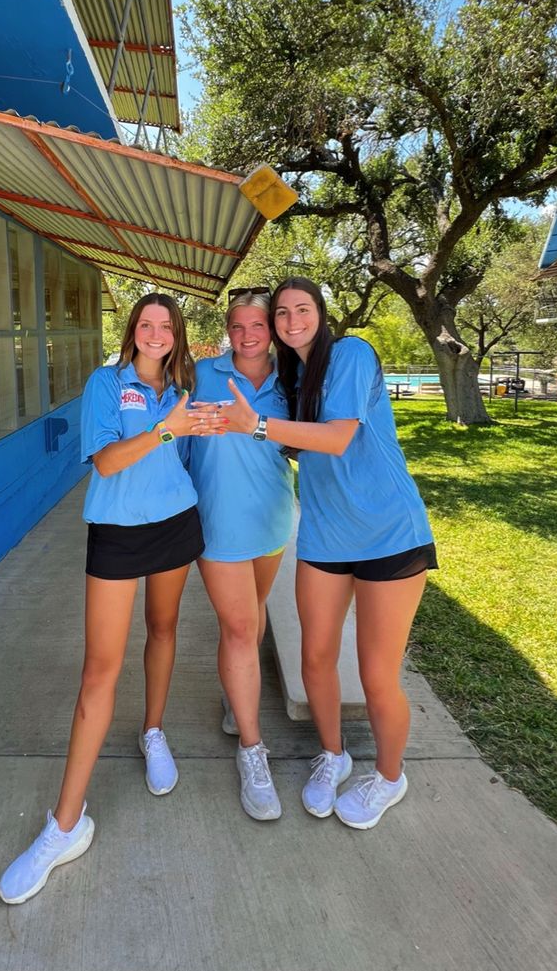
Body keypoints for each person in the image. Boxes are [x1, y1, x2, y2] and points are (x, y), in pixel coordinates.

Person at [0, 293, 223, 904]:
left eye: (165, 325)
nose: (155, 333)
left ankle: (152, 731)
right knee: (100, 668)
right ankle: (64, 825)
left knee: (165, 629)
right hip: (117, 533)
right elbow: (105, 463)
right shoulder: (105, 382)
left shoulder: (185, 383)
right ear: (133, 331)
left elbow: (193, 448)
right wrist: (163, 428)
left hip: (175, 522)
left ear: (177, 335)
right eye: (145, 324)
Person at [222, 277, 437, 830]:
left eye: (303, 309)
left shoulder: (352, 353)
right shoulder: (292, 377)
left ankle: (390, 777)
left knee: (376, 674)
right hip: (324, 536)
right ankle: (334, 754)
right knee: (315, 658)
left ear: (321, 312)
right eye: (282, 314)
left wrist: (258, 426)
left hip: (389, 533)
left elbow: (338, 437)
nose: (292, 321)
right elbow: (293, 446)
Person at [185, 289, 295, 821]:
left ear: (271, 329)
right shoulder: (201, 375)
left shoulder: (291, 380)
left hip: (273, 521)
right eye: (237, 325)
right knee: (238, 628)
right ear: (227, 329)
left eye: (257, 324)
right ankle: (252, 752)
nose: (248, 334)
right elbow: (174, 440)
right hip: (219, 525)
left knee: (252, 619)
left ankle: (237, 693)